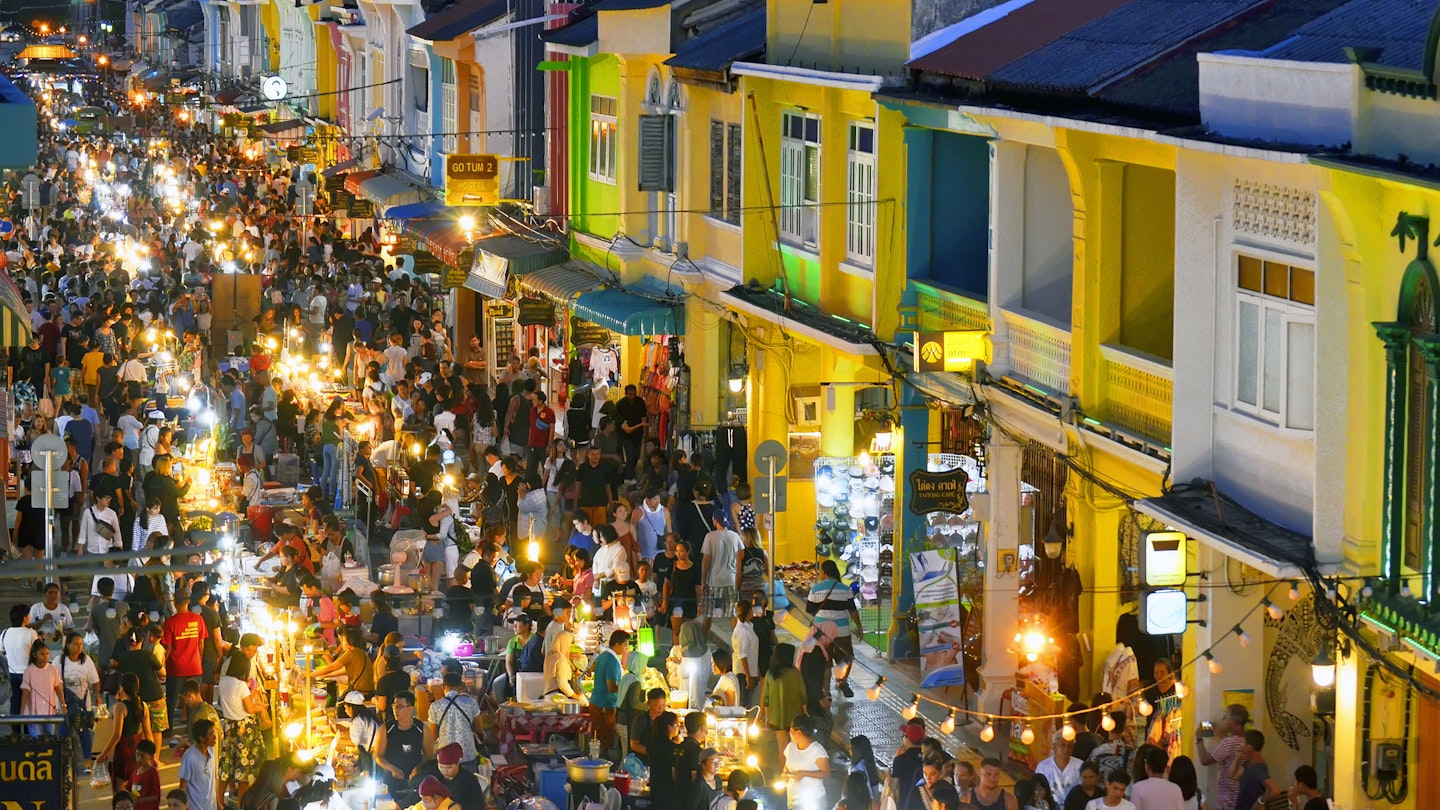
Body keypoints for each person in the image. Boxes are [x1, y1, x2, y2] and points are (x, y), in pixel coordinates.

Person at [216, 637, 268, 800]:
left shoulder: (223, 680)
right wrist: (260, 708)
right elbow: (249, 708)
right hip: (245, 730)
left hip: (230, 726)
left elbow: (234, 700)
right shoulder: (240, 685)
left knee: (227, 766)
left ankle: (219, 802)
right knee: (244, 771)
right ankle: (242, 803)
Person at [805, 560, 862, 697]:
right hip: (842, 630)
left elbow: (810, 610)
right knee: (846, 657)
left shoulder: (816, 589)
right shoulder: (845, 589)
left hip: (821, 632)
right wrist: (859, 627)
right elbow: (853, 611)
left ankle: (826, 692)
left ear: (823, 572)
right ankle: (841, 680)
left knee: (825, 661)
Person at [97, 672, 155, 792]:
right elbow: (148, 733)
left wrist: (102, 755)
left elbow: (116, 735)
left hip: (123, 748)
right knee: (134, 785)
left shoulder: (120, 707)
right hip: (136, 746)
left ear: (122, 688)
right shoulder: (143, 706)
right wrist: (152, 755)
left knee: (120, 787)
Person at [376, 691, 430, 805]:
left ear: (410, 709)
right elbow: (378, 756)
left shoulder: (421, 729)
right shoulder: (386, 729)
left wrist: (418, 768)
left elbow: (428, 755)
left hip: (415, 778)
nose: (396, 710)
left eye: (400, 706)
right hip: (392, 777)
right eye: (394, 706)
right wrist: (391, 768)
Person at [59, 631, 101, 769]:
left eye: (81, 644)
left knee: (85, 733)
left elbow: (95, 681)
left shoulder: (87, 660)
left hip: (84, 703)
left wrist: (97, 696)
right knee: (64, 733)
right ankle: (64, 762)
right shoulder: (59, 661)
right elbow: (54, 682)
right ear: (68, 645)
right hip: (65, 705)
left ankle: (87, 762)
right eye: (76, 644)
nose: (79, 647)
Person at [1196, 704, 1249, 810]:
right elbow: (1233, 749)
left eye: (1226, 717)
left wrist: (1199, 738)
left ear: (1233, 722)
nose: (1223, 719)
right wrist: (1221, 736)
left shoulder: (1228, 743)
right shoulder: (1249, 738)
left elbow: (1204, 760)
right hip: (1243, 796)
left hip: (1228, 800)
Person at [426, 671, 482, 770]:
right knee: (468, 785)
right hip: (467, 755)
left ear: (443, 686)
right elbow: (479, 730)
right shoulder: (471, 703)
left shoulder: (435, 706)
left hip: (446, 759)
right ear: (460, 685)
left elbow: (433, 736)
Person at [700, 512, 743, 636]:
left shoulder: (710, 537)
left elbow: (706, 561)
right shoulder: (735, 536)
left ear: (714, 520)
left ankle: (703, 643)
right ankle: (738, 644)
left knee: (708, 615)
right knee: (733, 615)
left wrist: (703, 581)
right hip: (732, 580)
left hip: (715, 581)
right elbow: (741, 557)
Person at [408, 743, 486, 810]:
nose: (444, 771)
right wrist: (431, 782)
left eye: (449, 767)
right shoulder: (434, 772)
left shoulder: (468, 779)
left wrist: (459, 807)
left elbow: (479, 804)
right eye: (441, 767)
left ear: (457, 764)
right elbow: (413, 782)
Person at [589, 629, 629, 757]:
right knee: (604, 739)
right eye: (625, 645)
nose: (626, 648)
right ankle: (601, 764)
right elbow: (611, 686)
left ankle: (598, 762)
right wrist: (625, 688)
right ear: (617, 644)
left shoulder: (604, 655)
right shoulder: (611, 660)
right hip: (605, 705)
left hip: (597, 701)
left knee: (598, 738)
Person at [761, 642, 807, 751]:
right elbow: (803, 694)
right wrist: (805, 712)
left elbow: (766, 698)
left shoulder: (770, 674)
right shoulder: (795, 673)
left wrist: (767, 717)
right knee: (795, 746)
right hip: (794, 715)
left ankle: (784, 768)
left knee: (782, 746)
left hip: (776, 717)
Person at [783, 715, 830, 810]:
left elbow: (826, 773)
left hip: (813, 798)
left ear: (798, 732)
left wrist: (804, 773)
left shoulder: (817, 750)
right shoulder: (790, 747)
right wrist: (785, 774)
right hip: (793, 798)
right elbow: (787, 766)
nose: (789, 733)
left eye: (791, 731)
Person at [21, 638, 64, 735]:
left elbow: (58, 689)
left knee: (50, 737)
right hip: (33, 711)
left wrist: (63, 705)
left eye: (47, 654)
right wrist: (22, 710)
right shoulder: (29, 671)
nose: (46, 657)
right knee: (35, 738)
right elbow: (26, 692)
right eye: (42, 654)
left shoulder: (53, 670)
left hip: (49, 710)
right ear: (35, 655)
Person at [1230, 730, 1280, 810]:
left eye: (1243, 743)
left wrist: (1260, 801)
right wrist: (1236, 758)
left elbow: (1275, 790)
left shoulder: (1258, 768)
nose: (1240, 745)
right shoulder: (1248, 763)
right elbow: (1232, 775)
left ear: (1249, 747)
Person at [3, 604, 38, 715]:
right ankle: (28, 730)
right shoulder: (31, 633)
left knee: (15, 702)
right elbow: (37, 650)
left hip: (11, 673)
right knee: (28, 703)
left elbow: (1, 652)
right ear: (24, 618)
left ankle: (15, 730)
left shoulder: (5, 633)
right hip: (28, 673)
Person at [179, 718, 220, 810]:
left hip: (211, 806)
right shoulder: (189, 757)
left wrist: (218, 803)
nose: (215, 737)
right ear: (201, 738)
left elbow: (212, 781)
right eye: (211, 734)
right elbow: (182, 787)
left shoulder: (212, 751)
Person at [649, 711, 683, 804]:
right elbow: (674, 772)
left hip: (655, 784)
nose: (678, 728)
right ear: (669, 727)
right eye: (676, 725)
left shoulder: (654, 742)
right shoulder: (671, 747)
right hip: (667, 788)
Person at [1037, 733, 1082, 803]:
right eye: (1062, 745)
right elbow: (1037, 790)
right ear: (1054, 747)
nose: (1066, 749)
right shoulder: (1043, 767)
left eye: (1069, 746)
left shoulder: (1080, 765)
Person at [629, 687, 668, 762]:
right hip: (644, 760)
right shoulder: (640, 720)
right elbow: (634, 744)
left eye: (663, 705)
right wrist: (653, 753)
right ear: (648, 704)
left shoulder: (668, 718)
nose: (660, 709)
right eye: (656, 705)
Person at [128, 740, 163, 810]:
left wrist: (138, 801)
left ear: (151, 756)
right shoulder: (136, 770)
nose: (139, 759)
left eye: (142, 755)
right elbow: (129, 787)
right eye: (137, 754)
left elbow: (156, 796)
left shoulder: (152, 773)